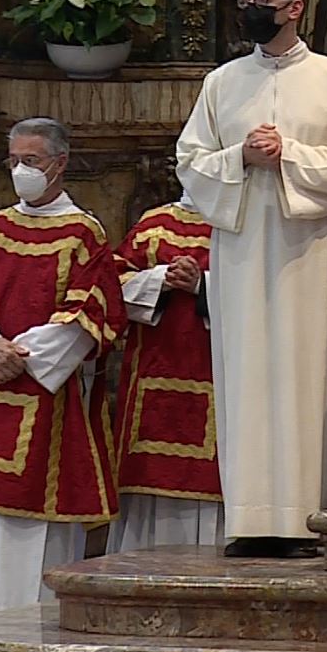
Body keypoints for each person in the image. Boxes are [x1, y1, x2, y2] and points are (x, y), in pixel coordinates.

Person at [176, 0, 327, 558]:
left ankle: (303, 521)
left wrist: (288, 153)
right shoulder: (222, 82)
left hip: (306, 252)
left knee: (303, 372)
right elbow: (190, 163)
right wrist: (240, 156)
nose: (252, 6)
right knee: (244, 375)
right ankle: (248, 519)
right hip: (238, 252)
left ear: (296, 7)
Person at [0, 117, 125, 617]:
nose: (19, 170)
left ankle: (39, 628)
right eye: (13, 161)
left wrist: (21, 356)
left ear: (59, 163)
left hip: (49, 397)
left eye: (30, 161)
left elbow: (92, 309)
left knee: (44, 521)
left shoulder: (83, 233)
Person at [106, 194, 222, 553]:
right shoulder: (152, 226)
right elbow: (112, 284)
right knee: (146, 489)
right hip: (151, 376)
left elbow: (260, 293)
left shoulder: (238, 222)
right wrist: (160, 280)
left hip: (216, 377)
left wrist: (202, 285)